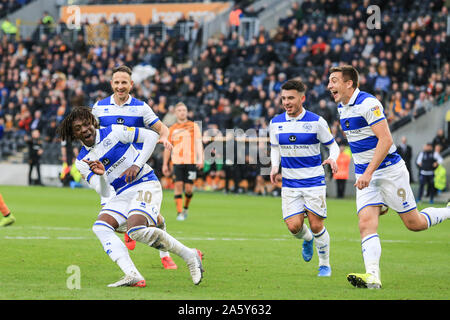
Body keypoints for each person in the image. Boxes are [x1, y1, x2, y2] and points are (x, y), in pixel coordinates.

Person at [327, 65, 450, 289]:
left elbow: (386, 140)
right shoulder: (342, 108)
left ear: (349, 83)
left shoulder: (368, 104)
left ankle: (449, 211)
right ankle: (373, 276)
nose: (329, 86)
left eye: (334, 81)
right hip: (367, 177)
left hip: (389, 172)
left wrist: (368, 173)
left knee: (414, 223)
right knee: (365, 224)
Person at [57, 106, 204, 287]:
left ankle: (190, 255)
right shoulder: (82, 161)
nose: (85, 130)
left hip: (145, 183)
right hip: (121, 194)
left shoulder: (114, 131)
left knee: (135, 230)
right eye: (78, 128)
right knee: (100, 228)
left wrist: (137, 164)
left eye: (86, 124)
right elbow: (103, 191)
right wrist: (102, 175)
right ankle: (132, 274)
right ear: (73, 134)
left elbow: (151, 136)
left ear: (92, 122)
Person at [92, 65, 177, 269]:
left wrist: (165, 138)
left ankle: (165, 255)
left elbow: (161, 128)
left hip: (136, 172)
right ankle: (131, 237)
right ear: (111, 84)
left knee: (154, 218)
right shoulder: (99, 107)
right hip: (110, 174)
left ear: (131, 84)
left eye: (124, 83)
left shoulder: (141, 107)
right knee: (112, 217)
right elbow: (91, 137)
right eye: (117, 82)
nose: (120, 86)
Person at [269, 79, 339, 277]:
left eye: (291, 98)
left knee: (317, 225)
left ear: (302, 98)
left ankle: (324, 264)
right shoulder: (275, 123)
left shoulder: (316, 122)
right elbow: (275, 148)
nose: (286, 102)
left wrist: (333, 158)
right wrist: (275, 166)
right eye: (283, 98)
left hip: (313, 181)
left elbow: (333, 145)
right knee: (294, 227)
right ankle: (307, 239)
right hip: (290, 183)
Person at [162, 102, 204, 221]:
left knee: (189, 189)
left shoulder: (193, 126)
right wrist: (165, 163)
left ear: (187, 112)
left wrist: (200, 159)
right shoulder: (172, 129)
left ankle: (186, 207)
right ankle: (180, 212)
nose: (182, 112)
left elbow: (198, 143)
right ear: (176, 113)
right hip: (177, 162)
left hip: (191, 161)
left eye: (184, 110)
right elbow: (167, 148)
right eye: (179, 110)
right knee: (179, 185)